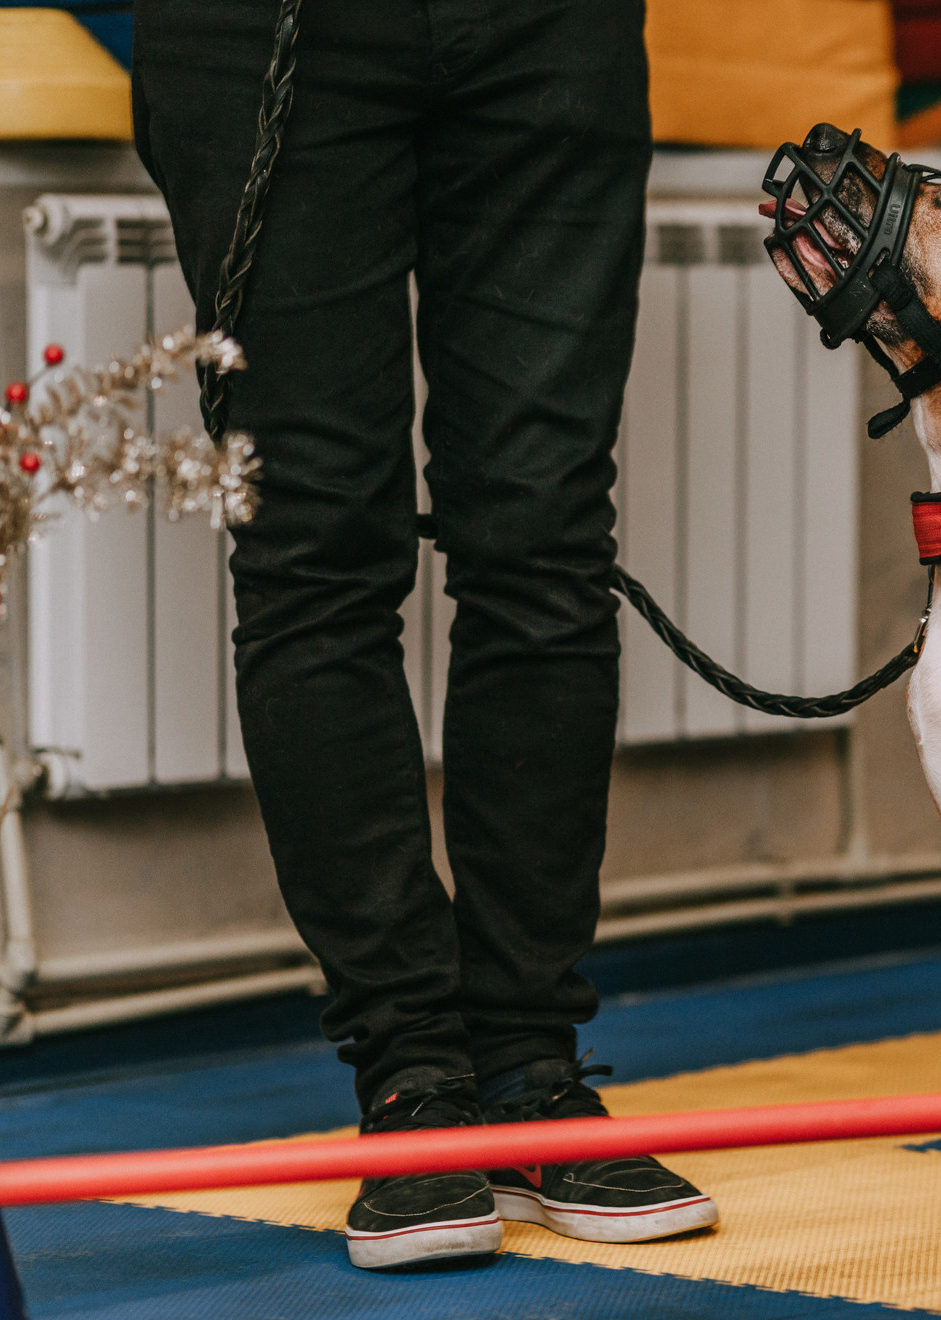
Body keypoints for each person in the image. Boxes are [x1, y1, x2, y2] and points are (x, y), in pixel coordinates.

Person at [131, 0, 715, 1269]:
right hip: (264, 30)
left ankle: (530, 1069)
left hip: (548, 27)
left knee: (545, 540)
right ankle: (411, 1080)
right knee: (315, 549)